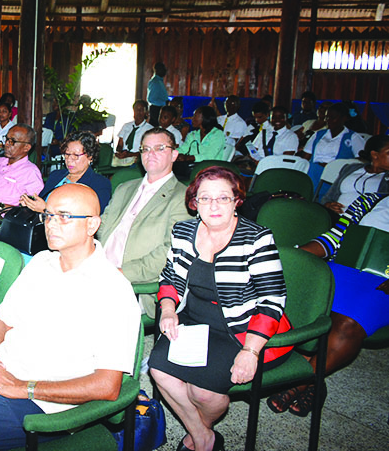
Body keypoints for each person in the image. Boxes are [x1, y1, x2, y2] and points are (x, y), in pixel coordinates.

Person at [0, 183, 140, 451]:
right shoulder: (41, 263)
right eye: (49, 215)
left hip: (45, 400)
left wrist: (24, 388)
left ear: (92, 225)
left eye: (64, 216)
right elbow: (1, 319)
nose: (51, 225)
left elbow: (107, 386)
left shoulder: (113, 290)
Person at [149, 166, 293, 451]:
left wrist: (250, 352)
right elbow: (171, 278)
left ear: (236, 200)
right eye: (205, 198)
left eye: (222, 198)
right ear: (194, 202)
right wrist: (168, 309)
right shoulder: (183, 230)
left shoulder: (256, 237)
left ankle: (198, 437)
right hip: (194, 320)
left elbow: (272, 299)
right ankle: (204, 437)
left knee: (202, 391)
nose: (213, 205)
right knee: (159, 370)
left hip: (242, 329)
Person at [267, 192, 389, 417]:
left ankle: (302, 380)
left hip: (383, 283)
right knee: (301, 300)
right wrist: (292, 255)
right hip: (343, 269)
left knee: (348, 323)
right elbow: (334, 239)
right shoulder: (371, 200)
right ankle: (316, 379)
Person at [96, 128, 190, 314]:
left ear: (174, 155)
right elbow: (100, 228)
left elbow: (169, 253)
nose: (151, 154)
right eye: (145, 149)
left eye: (159, 148)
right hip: (99, 269)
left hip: (135, 284)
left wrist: (119, 274)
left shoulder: (182, 197)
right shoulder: (125, 188)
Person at [20, 131, 112, 215]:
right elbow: (42, 201)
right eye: (67, 154)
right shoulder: (56, 175)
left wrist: (46, 209)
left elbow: (90, 216)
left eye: (76, 155)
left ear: (90, 157)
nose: (69, 160)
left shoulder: (100, 183)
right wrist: (30, 203)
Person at [300, 102, 366, 189]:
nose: (328, 120)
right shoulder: (318, 134)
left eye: (333, 118)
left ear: (344, 118)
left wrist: (335, 166)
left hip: (335, 174)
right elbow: (306, 156)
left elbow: (361, 160)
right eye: (327, 117)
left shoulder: (353, 137)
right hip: (314, 170)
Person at [320, 134, 389, 213]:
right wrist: (329, 205)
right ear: (375, 155)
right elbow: (327, 197)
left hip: (363, 220)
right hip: (334, 215)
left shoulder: (386, 179)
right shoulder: (351, 169)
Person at [147, 62, 169, 126]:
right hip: (156, 109)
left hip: (160, 108)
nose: (165, 71)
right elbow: (151, 99)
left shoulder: (159, 81)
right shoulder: (155, 82)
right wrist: (164, 102)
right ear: (156, 70)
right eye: (162, 69)